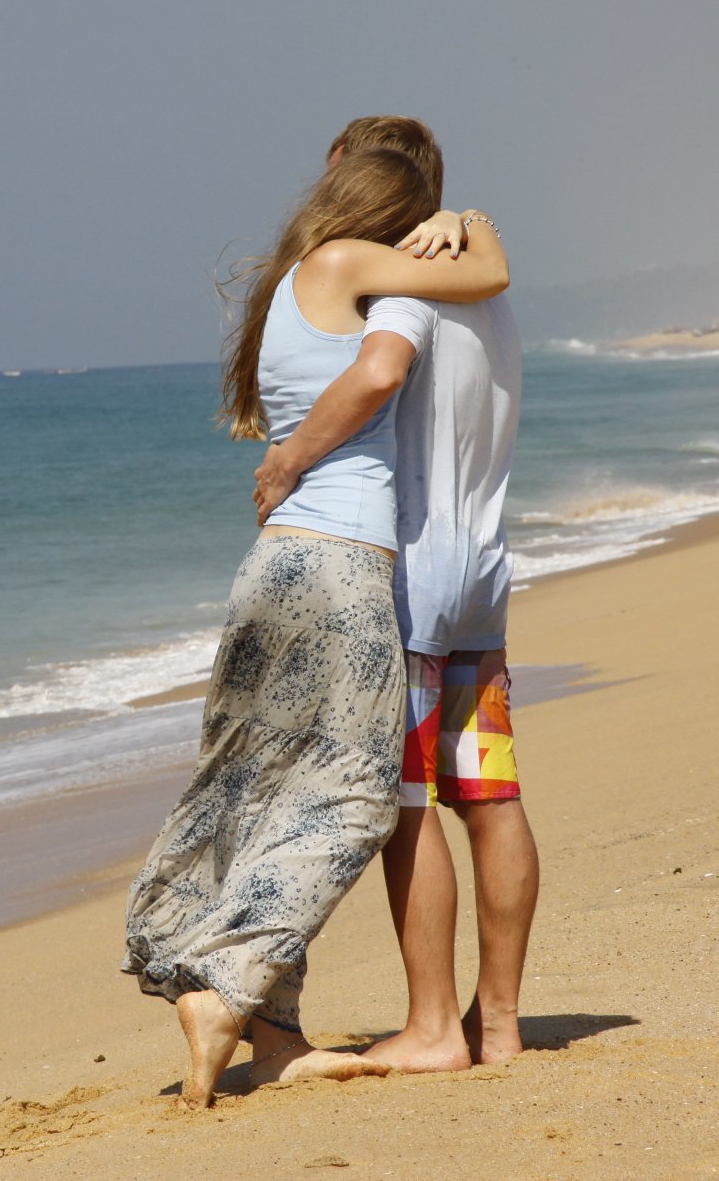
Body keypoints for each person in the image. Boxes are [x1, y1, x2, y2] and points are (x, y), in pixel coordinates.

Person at [122, 145, 510, 1109]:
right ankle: (225, 989)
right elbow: (423, 337)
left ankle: (271, 1037)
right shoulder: (355, 267)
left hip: (277, 567)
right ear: (397, 211)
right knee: (353, 796)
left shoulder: (302, 278)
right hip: (341, 568)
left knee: (255, 787)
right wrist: (468, 222)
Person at [253, 117, 539, 1072]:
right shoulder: (488, 294)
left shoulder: (398, 288)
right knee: (491, 794)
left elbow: (376, 377)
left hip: (411, 570)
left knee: (408, 805)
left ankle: (430, 1028)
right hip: (486, 574)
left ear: (355, 174)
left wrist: (291, 458)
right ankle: (496, 1023)